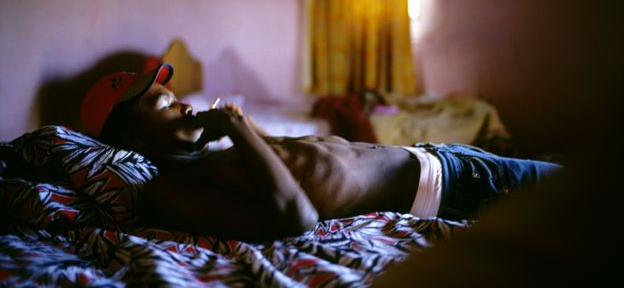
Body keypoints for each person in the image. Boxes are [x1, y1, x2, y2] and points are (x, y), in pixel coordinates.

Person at [80, 63, 562, 242]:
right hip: (452, 187)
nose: (184, 104)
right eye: (165, 105)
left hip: (444, 159)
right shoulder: (171, 190)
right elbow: (295, 218)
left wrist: (233, 135)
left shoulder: (208, 158)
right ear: (136, 142)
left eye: (175, 95)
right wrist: (238, 126)